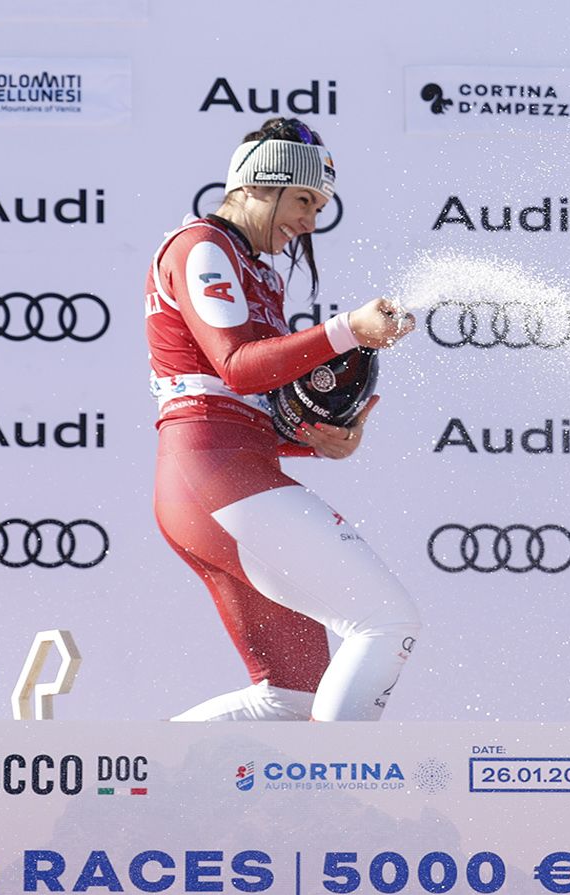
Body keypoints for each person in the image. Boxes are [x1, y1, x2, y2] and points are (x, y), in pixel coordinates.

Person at [146, 116, 422, 721]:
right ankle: (345, 804)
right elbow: (239, 368)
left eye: (319, 206)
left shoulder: (260, 269)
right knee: (386, 620)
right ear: (253, 186)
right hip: (214, 478)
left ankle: (131, 782)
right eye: (302, 200)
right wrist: (346, 328)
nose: (310, 221)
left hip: (218, 477)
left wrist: (321, 443)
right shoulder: (202, 246)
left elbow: (248, 402)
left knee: (291, 700)